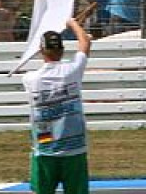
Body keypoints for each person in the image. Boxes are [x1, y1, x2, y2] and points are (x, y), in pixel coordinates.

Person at [22, 18, 93, 194]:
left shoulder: (30, 79)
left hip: (45, 148)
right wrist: (73, 23)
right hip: (74, 148)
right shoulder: (73, 70)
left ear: (41, 51)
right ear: (62, 50)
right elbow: (85, 42)